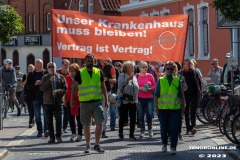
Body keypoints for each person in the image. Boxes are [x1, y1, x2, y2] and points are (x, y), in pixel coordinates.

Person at [71, 53, 108, 153]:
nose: (90, 62)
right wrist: (72, 100)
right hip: (85, 103)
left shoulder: (98, 71)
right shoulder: (80, 72)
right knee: (86, 125)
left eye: (92, 61)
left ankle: (97, 144)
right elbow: (74, 87)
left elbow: (103, 86)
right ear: (85, 61)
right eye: (88, 61)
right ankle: (88, 145)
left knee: (99, 123)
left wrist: (107, 100)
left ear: (94, 61)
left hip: (97, 101)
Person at [154, 61, 185, 155]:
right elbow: (156, 95)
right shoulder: (161, 80)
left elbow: (181, 95)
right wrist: (156, 107)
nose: (170, 71)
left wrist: (183, 107)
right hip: (163, 109)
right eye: (168, 69)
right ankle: (164, 143)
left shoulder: (177, 80)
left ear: (174, 69)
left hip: (175, 109)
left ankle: (173, 147)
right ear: (165, 69)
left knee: (174, 128)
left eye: (172, 69)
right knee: (164, 128)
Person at [40, 62, 67, 144]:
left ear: (56, 68)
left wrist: (58, 91)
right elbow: (42, 88)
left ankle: (58, 136)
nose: (51, 69)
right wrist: (50, 82)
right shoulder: (45, 77)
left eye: (53, 67)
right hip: (47, 102)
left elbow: (65, 89)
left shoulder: (61, 77)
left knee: (59, 119)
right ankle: (52, 137)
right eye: (49, 67)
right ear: (47, 69)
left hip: (58, 102)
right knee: (49, 121)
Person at [25, 59, 48, 137]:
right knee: (37, 116)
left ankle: (46, 130)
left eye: (41, 66)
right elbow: (27, 87)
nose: (39, 67)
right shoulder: (31, 75)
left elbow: (49, 84)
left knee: (46, 115)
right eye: (38, 66)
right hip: (35, 98)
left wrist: (43, 83)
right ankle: (39, 131)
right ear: (35, 65)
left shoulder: (46, 73)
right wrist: (34, 84)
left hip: (45, 97)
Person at [118, 61, 139, 140]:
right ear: (127, 68)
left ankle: (131, 134)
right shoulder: (122, 75)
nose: (133, 68)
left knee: (133, 117)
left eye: (133, 67)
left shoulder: (134, 76)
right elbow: (120, 85)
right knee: (123, 117)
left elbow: (136, 86)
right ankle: (120, 132)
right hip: (124, 99)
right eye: (132, 67)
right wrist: (128, 79)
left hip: (133, 100)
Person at [180, 59, 202, 136]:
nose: (187, 65)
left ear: (191, 64)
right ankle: (188, 128)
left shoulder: (194, 72)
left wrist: (199, 93)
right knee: (186, 112)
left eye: (189, 64)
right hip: (185, 95)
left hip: (194, 94)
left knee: (193, 112)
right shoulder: (181, 73)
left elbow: (199, 83)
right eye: (186, 64)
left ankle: (193, 127)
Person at [95, 59, 116, 138]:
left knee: (105, 112)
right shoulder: (95, 66)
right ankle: (98, 128)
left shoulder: (111, 67)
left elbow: (114, 80)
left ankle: (103, 131)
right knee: (96, 112)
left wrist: (107, 79)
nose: (106, 59)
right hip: (96, 92)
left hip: (106, 92)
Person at [136, 61, 156, 138]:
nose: (145, 68)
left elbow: (155, 85)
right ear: (139, 68)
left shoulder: (150, 76)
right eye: (143, 67)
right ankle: (142, 130)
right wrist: (140, 88)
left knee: (150, 114)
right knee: (140, 115)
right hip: (139, 98)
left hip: (149, 98)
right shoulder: (136, 76)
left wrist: (150, 89)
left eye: (146, 67)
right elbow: (133, 86)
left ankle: (150, 129)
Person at [65, 63, 83, 142]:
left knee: (79, 118)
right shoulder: (67, 78)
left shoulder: (80, 78)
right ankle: (73, 134)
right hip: (69, 99)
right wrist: (65, 99)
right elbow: (66, 89)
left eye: (73, 71)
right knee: (71, 118)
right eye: (70, 71)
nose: (72, 73)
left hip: (78, 100)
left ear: (77, 71)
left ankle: (79, 134)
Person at [57, 59, 70, 133]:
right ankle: (59, 127)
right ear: (61, 65)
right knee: (59, 114)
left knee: (66, 114)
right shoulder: (58, 73)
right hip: (59, 96)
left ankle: (64, 128)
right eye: (65, 65)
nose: (66, 67)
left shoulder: (70, 74)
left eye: (67, 65)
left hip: (67, 96)